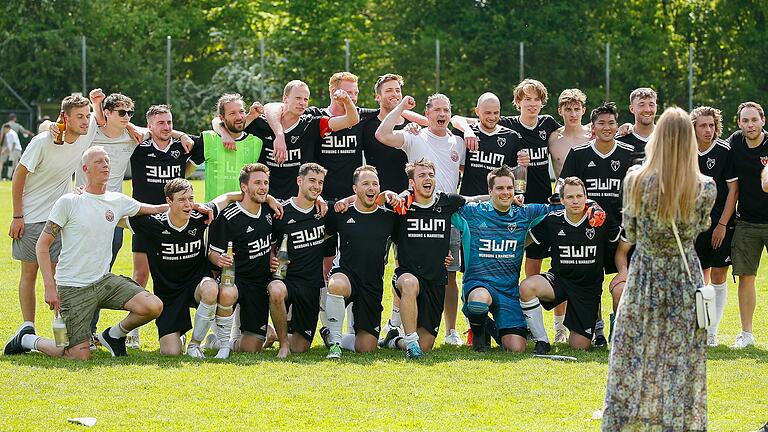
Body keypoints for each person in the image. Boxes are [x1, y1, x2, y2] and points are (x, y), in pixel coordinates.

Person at [602, 107, 716, 431]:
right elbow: (702, 226)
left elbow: (632, 232)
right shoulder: (705, 187)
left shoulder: (636, 181)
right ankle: (679, 422)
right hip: (684, 275)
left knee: (633, 352)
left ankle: (628, 421)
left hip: (646, 274)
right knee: (681, 358)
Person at [3, 146, 173, 360]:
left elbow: (156, 209)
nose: (105, 165)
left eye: (107, 161)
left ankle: (113, 335)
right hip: (73, 288)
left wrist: (193, 205)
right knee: (75, 355)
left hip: (103, 282)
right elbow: (42, 245)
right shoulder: (69, 202)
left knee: (153, 306)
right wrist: (50, 288)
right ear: (85, 169)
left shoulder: (117, 201)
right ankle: (27, 339)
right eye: (99, 162)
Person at [376, 93, 467, 345]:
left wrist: (467, 126)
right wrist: (402, 108)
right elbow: (382, 134)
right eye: (436, 109)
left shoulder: (457, 142)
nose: (441, 114)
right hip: (414, 213)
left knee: (449, 275)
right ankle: (395, 325)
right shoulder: (415, 135)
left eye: (446, 109)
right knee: (406, 269)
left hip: (447, 217)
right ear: (426, 115)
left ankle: (451, 332)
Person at [7, 92, 99, 337]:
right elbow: (19, 175)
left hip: (61, 218)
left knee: (62, 274)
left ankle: (65, 329)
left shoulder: (86, 133)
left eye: (87, 115)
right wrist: (18, 216)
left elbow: (103, 118)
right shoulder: (42, 142)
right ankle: (28, 327)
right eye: (79, 116)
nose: (85, 120)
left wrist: (97, 103)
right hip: (31, 217)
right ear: (64, 118)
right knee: (29, 273)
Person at [126, 178, 242, 358]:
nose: (188, 204)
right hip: (169, 293)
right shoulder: (152, 224)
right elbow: (115, 218)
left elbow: (226, 198)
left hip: (196, 284)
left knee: (211, 288)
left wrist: (267, 199)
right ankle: (180, 337)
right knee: (170, 352)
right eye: (182, 200)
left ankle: (195, 345)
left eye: (191, 199)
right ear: (169, 201)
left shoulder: (200, 217)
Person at [379, 159, 483, 358]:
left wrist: (504, 197)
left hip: (435, 281)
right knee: (409, 283)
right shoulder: (401, 207)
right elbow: (374, 203)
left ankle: (394, 339)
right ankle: (410, 344)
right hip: (407, 276)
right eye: (422, 175)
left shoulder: (446, 202)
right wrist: (387, 194)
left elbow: (475, 199)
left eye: (430, 175)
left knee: (426, 344)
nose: (427, 179)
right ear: (412, 183)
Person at [127, 104, 205, 348]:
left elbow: (201, 147)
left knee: (175, 274)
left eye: (170, 122)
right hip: (147, 222)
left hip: (174, 221)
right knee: (140, 274)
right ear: (149, 125)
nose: (167, 127)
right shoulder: (139, 147)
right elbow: (128, 128)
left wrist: (180, 135)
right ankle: (134, 331)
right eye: (160, 123)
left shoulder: (179, 147)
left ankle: (177, 325)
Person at [449, 165, 550, 353]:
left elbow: (557, 208)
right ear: (490, 191)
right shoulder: (472, 212)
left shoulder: (524, 213)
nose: (505, 192)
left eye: (509, 188)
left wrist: (590, 205)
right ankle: (479, 338)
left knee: (516, 348)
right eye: (500, 188)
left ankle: (491, 327)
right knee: (479, 302)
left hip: (508, 291)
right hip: (478, 284)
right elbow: (440, 206)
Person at [559, 102, 635, 344]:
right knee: (591, 283)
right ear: (592, 126)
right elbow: (564, 186)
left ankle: (619, 329)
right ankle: (597, 329)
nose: (607, 127)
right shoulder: (579, 153)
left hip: (620, 233)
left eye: (611, 123)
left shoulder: (628, 153)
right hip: (586, 232)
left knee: (621, 285)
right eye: (601, 123)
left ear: (616, 125)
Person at [519, 177, 616, 350]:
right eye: (570, 197)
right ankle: (541, 340)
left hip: (587, 289)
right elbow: (523, 242)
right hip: (560, 280)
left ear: (587, 198)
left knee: (579, 346)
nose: (576, 201)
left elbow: (623, 239)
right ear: (561, 200)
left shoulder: (599, 221)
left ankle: (593, 329)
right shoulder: (552, 221)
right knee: (527, 287)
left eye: (580, 196)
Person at [322, 165, 399, 359]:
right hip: (346, 274)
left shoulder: (388, 218)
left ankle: (331, 336)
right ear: (355, 189)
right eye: (365, 183)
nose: (371, 187)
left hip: (372, 283)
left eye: (375, 184)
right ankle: (336, 344)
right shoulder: (341, 213)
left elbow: (408, 245)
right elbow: (322, 238)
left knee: (367, 347)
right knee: (336, 284)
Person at [207, 163, 282, 356]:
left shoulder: (268, 212)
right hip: (235, 279)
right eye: (257, 182)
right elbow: (212, 253)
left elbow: (272, 246)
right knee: (228, 292)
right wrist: (220, 259)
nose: (263, 187)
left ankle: (260, 335)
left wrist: (272, 258)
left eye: (266, 182)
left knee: (250, 349)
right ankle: (221, 343)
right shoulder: (229, 216)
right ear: (244, 187)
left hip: (259, 283)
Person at [268, 163, 330, 358]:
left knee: (301, 347)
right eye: (312, 181)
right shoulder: (281, 211)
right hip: (286, 280)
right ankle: (283, 344)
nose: (316, 186)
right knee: (276, 291)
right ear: (299, 180)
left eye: (320, 182)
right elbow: (269, 242)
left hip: (311, 285)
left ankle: (273, 334)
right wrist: (270, 256)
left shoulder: (323, 212)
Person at [546, 88, 592, 343]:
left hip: (589, 209)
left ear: (583, 110)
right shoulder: (553, 137)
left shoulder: (592, 133)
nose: (573, 113)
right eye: (568, 109)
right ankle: (559, 328)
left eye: (577, 109)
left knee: (589, 268)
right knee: (561, 267)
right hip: (562, 209)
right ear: (560, 111)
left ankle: (593, 325)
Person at [690, 106, 738, 346]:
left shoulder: (724, 151)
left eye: (711, 125)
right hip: (691, 227)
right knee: (697, 278)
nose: (708, 130)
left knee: (718, 275)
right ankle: (700, 326)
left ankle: (712, 332)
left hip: (720, 224)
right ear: (694, 128)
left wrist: (722, 224)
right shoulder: (684, 151)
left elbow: (733, 191)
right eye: (702, 126)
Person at [728, 101, 768, 349]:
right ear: (739, 123)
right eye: (745, 120)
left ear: (763, 120)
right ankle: (747, 334)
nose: (750, 125)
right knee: (746, 278)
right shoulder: (734, 142)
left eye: (754, 120)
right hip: (746, 222)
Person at [616, 87, 657, 165]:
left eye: (651, 105)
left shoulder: (666, 138)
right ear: (632, 109)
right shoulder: (620, 141)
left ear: (656, 107)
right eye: (641, 105)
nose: (647, 109)